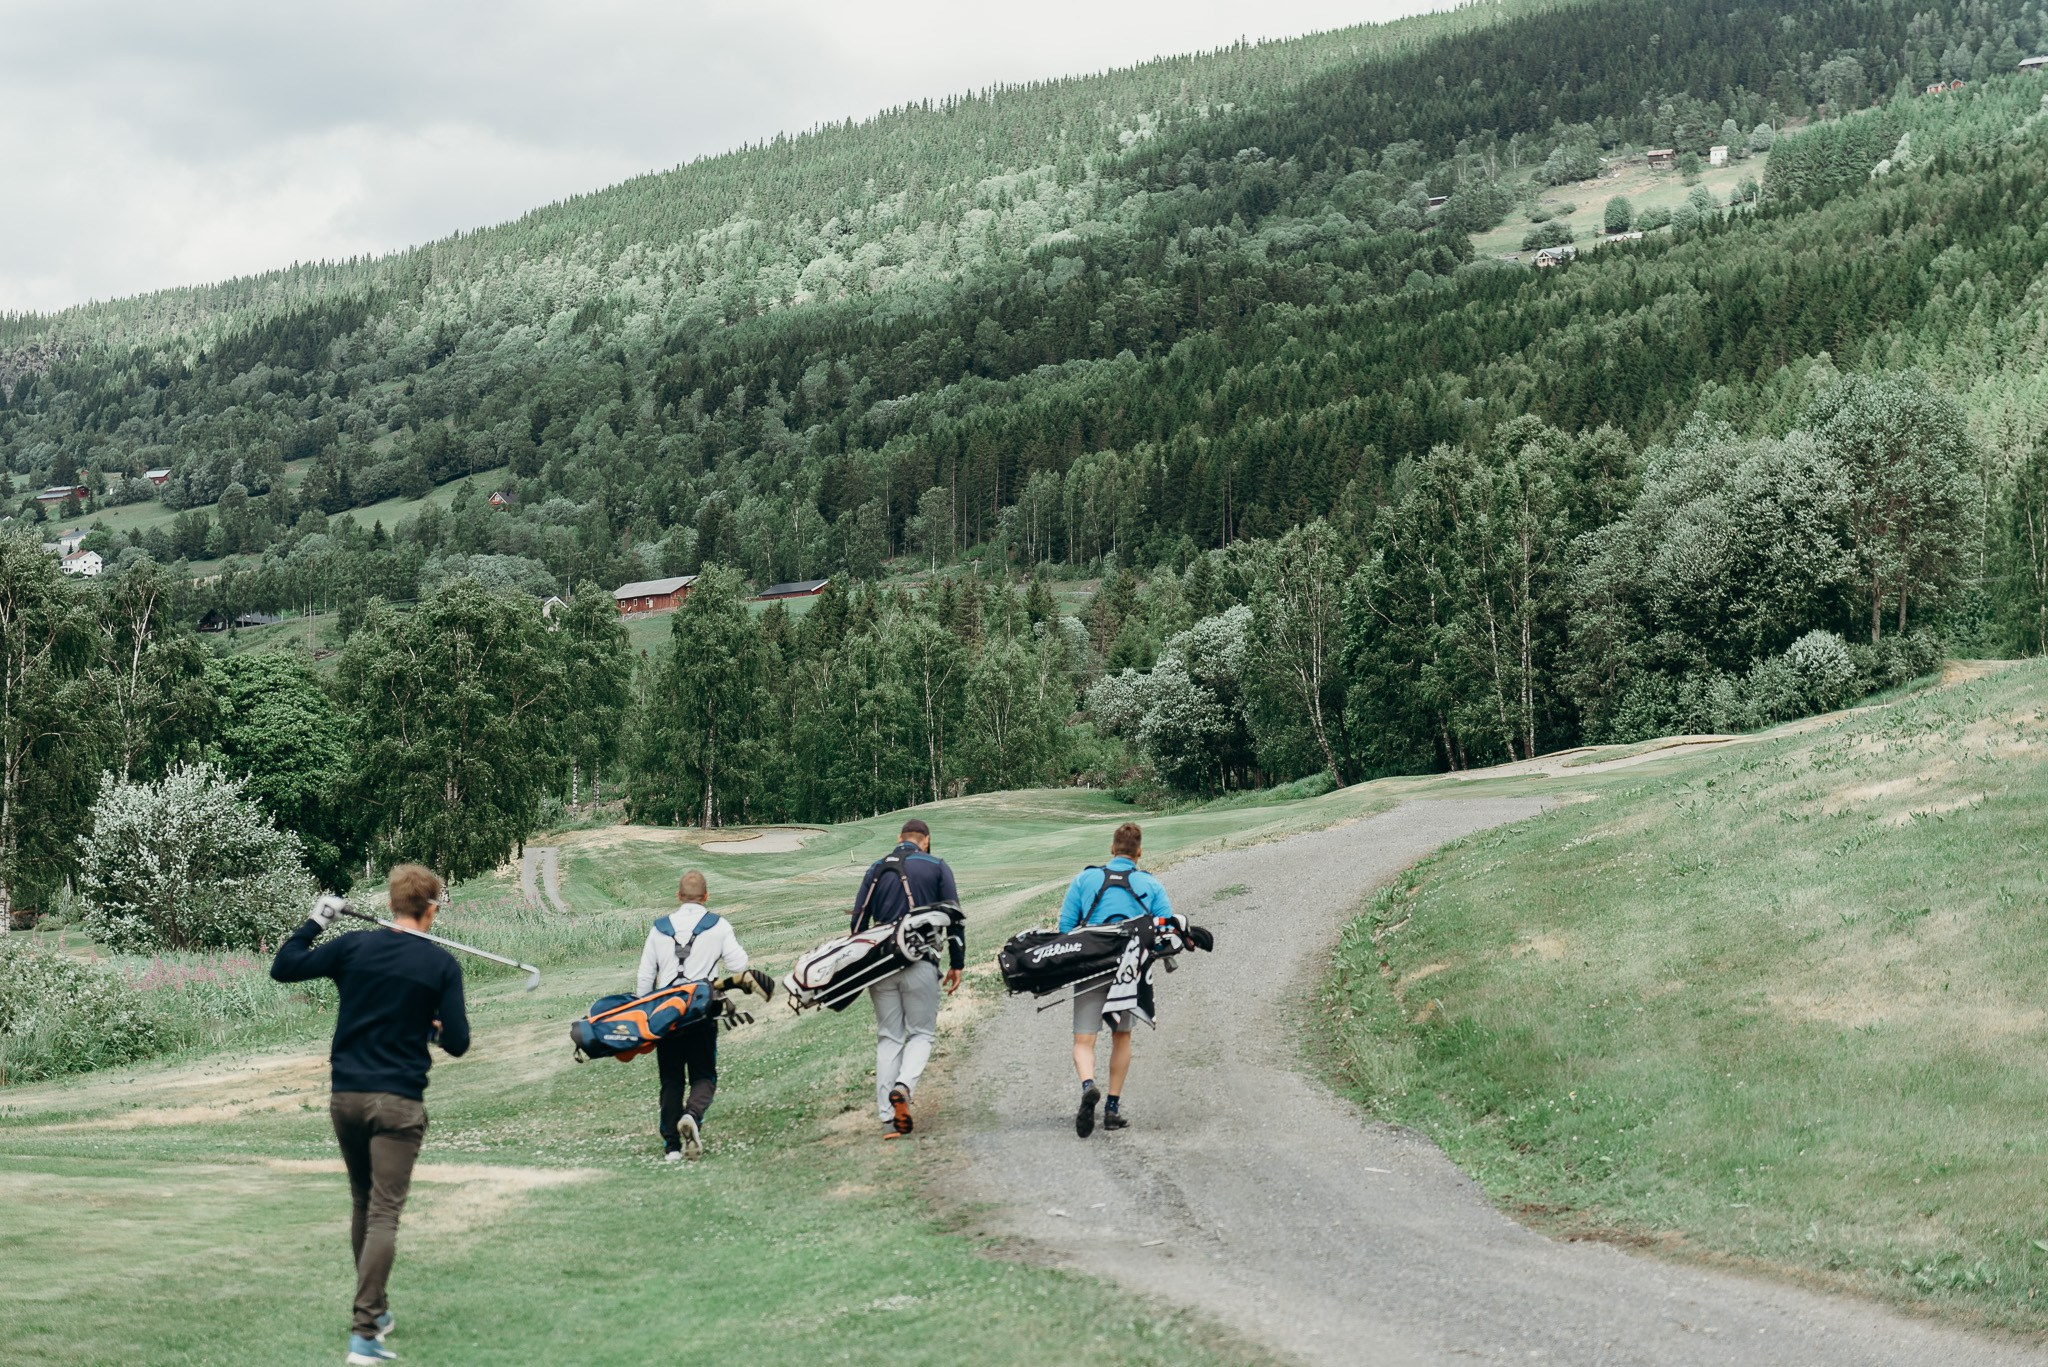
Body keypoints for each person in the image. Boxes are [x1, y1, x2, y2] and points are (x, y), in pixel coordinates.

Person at [271, 864, 470, 1367]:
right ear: (432, 908)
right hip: (399, 1101)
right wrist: (435, 1029)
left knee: (364, 1202)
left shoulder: (354, 945)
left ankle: (376, 1313)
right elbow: (460, 1043)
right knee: (383, 1212)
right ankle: (363, 1335)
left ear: (390, 905)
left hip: (347, 1097)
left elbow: (286, 964)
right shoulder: (441, 965)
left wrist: (317, 920)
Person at [1057, 822, 1172, 1139]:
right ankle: (1111, 1109)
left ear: (1111, 849)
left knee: (1084, 1041)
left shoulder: (1085, 879)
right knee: (1122, 1038)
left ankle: (1087, 1085)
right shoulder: (1151, 884)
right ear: (1139, 852)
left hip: (1091, 966)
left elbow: (1066, 927)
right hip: (1129, 972)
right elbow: (1165, 932)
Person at [850, 817, 963, 1136]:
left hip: (881, 964)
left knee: (889, 1037)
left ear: (899, 838)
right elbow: (954, 919)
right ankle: (903, 1087)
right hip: (921, 961)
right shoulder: (937, 865)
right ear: (925, 840)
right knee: (922, 1034)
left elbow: (857, 925)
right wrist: (957, 963)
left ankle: (888, 1116)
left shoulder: (876, 868)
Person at [635, 869, 757, 1162]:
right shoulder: (717, 925)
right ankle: (692, 1115)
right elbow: (740, 964)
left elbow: (644, 979)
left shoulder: (658, 928)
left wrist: (644, 1013)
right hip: (702, 1012)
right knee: (703, 1075)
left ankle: (672, 1147)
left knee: (671, 1079)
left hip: (666, 1014)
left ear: (678, 897)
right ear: (706, 897)